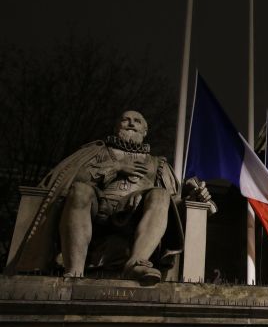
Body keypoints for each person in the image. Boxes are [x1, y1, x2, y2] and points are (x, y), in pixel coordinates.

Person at [7, 110, 213, 285]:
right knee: (80, 190)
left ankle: (136, 263)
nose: (131, 123)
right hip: (96, 209)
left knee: (160, 195)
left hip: (136, 216)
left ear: (145, 131)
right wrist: (116, 168)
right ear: (116, 127)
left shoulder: (158, 164)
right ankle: (74, 271)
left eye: (137, 121)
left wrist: (192, 197)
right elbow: (69, 182)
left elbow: (172, 203)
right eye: (126, 119)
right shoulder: (95, 152)